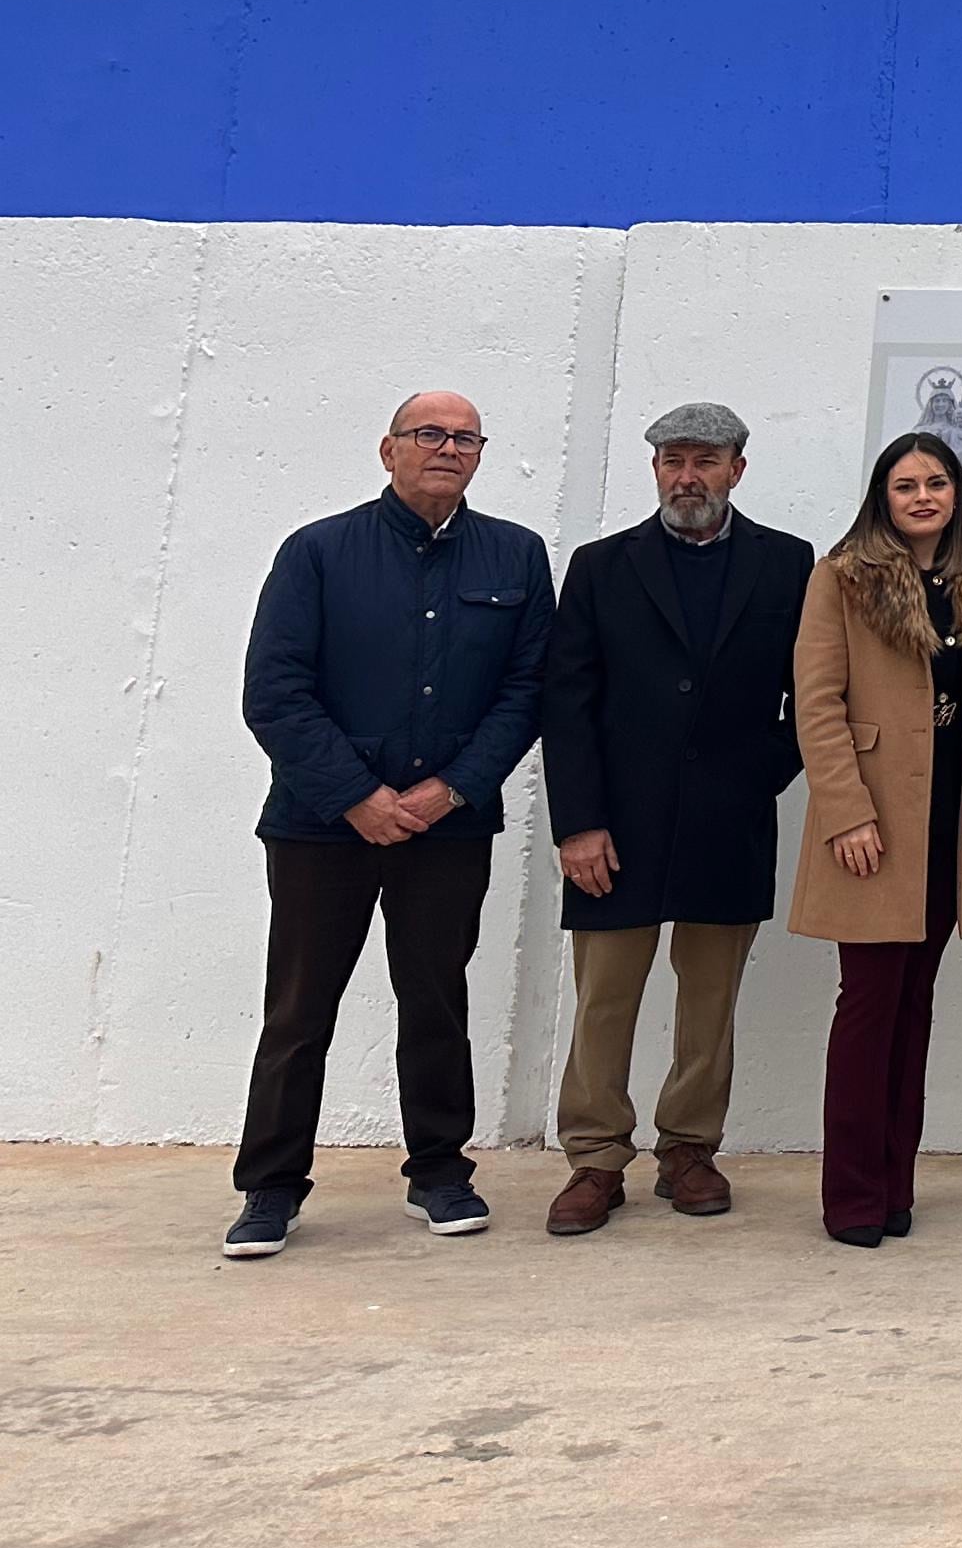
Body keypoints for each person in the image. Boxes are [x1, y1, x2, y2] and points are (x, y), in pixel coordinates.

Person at [223, 392, 553, 1260]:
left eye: (465, 437)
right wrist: (356, 798)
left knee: (437, 999)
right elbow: (275, 692)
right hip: (320, 826)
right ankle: (270, 1188)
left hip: (448, 827)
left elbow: (527, 692)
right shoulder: (318, 553)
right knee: (298, 1009)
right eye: (428, 434)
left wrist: (454, 789)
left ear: (480, 455)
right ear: (388, 450)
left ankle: (440, 1172)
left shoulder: (516, 556)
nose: (447, 448)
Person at [538, 402, 815, 1236]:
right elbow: (567, 700)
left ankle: (689, 1148)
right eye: (672, 462)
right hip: (616, 823)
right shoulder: (599, 566)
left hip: (729, 819)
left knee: (709, 999)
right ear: (654, 470)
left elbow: (814, 694)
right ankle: (594, 1156)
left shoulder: (790, 565)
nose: (686, 477)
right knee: (606, 997)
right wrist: (577, 823)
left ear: (737, 468)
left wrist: (760, 776)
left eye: (704, 461)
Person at [788, 432, 962, 1248]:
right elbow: (817, 704)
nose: (922, 496)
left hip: (949, 820)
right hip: (873, 821)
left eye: (937, 482)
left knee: (916, 1005)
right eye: (906, 484)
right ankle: (851, 1194)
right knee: (869, 1005)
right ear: (882, 494)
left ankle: (896, 1184)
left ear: (957, 492)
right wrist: (847, 813)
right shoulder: (841, 578)